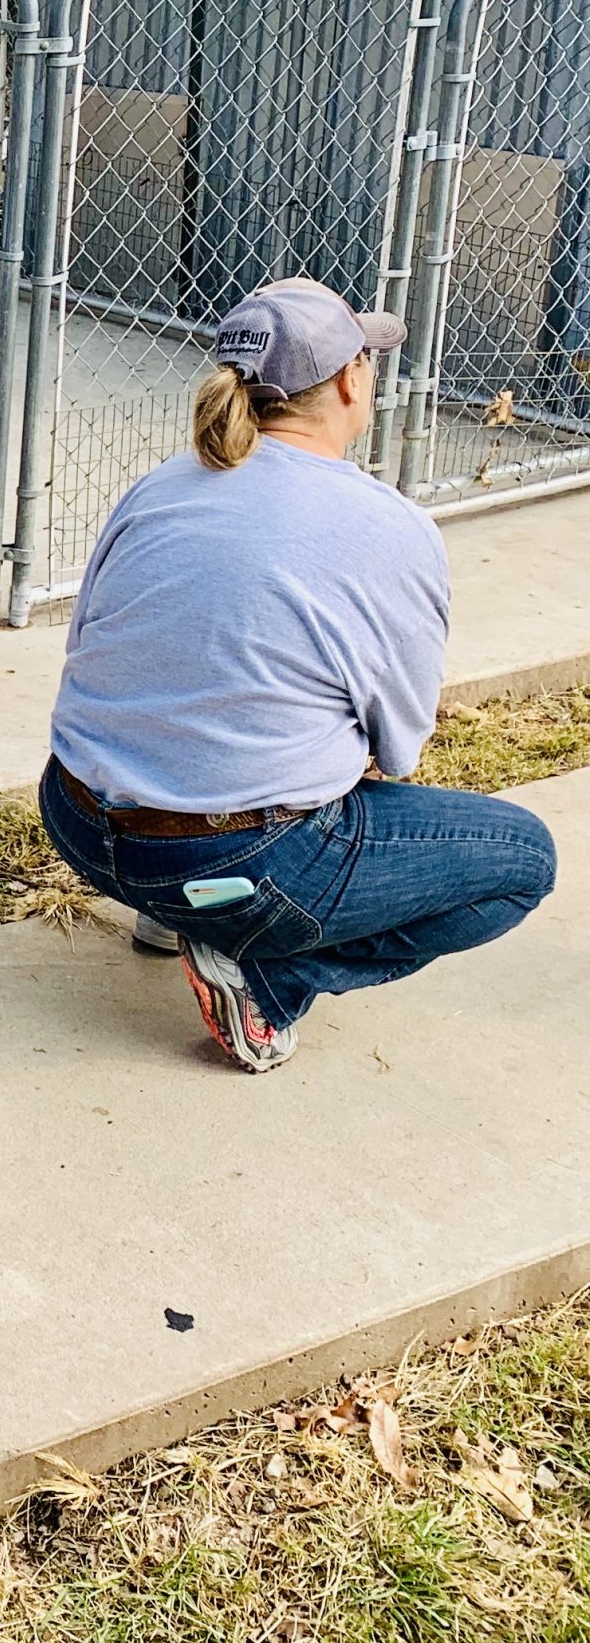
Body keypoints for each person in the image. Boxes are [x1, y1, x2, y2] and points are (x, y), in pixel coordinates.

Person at [39, 277, 557, 1071]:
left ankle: (177, 917)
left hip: (77, 821)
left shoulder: (158, 489)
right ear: (352, 381)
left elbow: (92, 648)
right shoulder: (390, 527)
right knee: (524, 862)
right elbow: (403, 741)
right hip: (227, 865)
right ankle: (269, 979)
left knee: (229, 747)